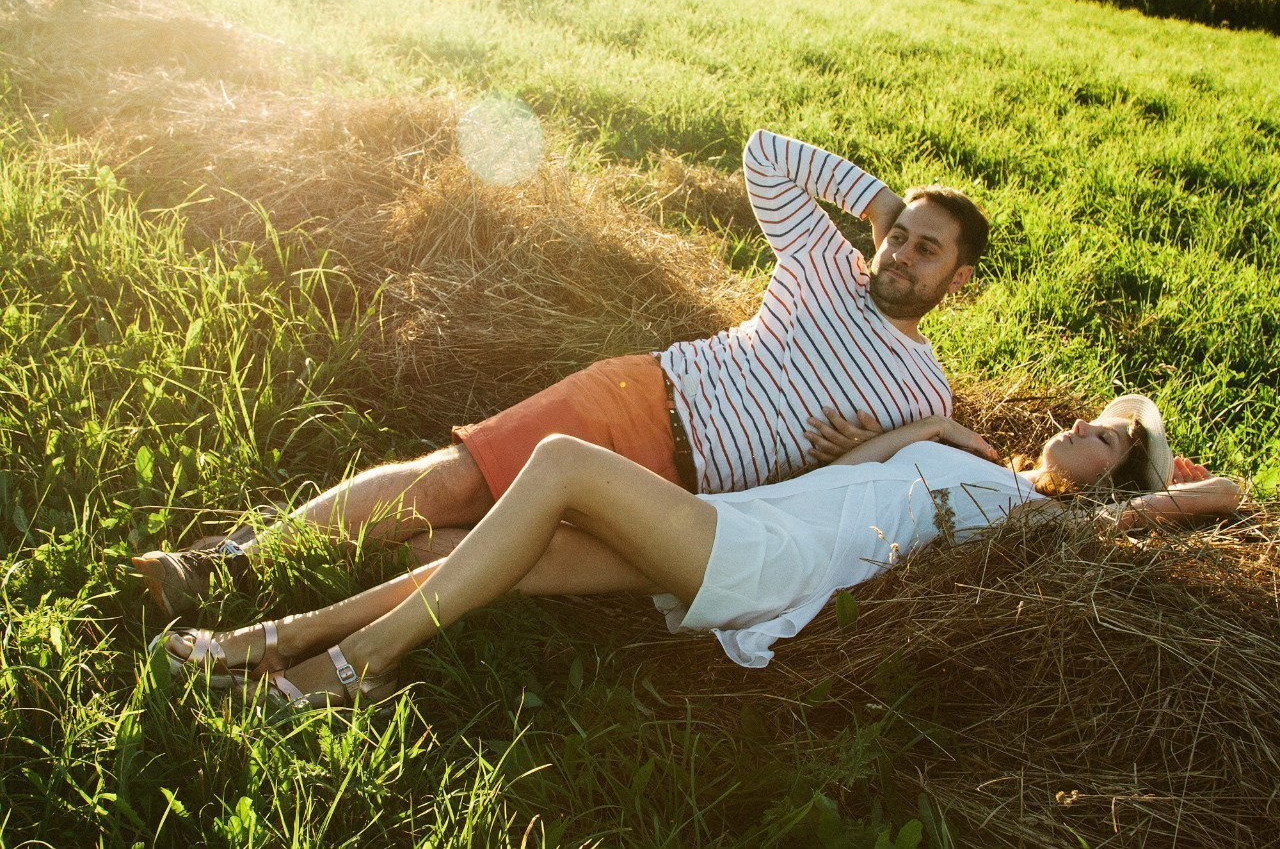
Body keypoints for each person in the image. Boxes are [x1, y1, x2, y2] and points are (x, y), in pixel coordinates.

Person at [135, 128, 991, 618]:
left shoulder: (921, 392)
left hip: (686, 505)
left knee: (466, 551)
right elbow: (765, 154)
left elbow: (864, 496)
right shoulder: (821, 260)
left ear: (959, 282)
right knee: (455, 485)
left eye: (926, 250)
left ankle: (321, 567)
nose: (899, 256)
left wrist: (883, 442)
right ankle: (231, 560)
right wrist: (881, 201)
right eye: (897, 236)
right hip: (648, 403)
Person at [152, 395, 1242, 705]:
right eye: (1093, 417)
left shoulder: (1052, 526)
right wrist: (928, 432)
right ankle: (270, 637)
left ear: (1117, 481)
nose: (1084, 429)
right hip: (766, 528)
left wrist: (1191, 482)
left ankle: (358, 662)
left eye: (1107, 437)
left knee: (568, 464)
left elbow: (1215, 497)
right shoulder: (990, 472)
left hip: (777, 565)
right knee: (517, 555)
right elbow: (847, 465)